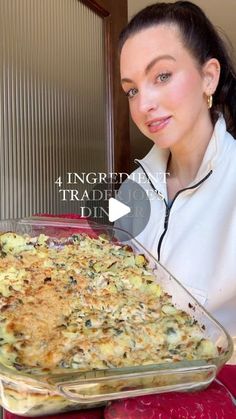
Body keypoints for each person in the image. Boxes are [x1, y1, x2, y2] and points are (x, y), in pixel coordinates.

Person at [116, 1, 236, 339]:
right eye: (132, 90)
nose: (143, 105)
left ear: (208, 77)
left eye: (162, 76)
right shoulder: (132, 189)